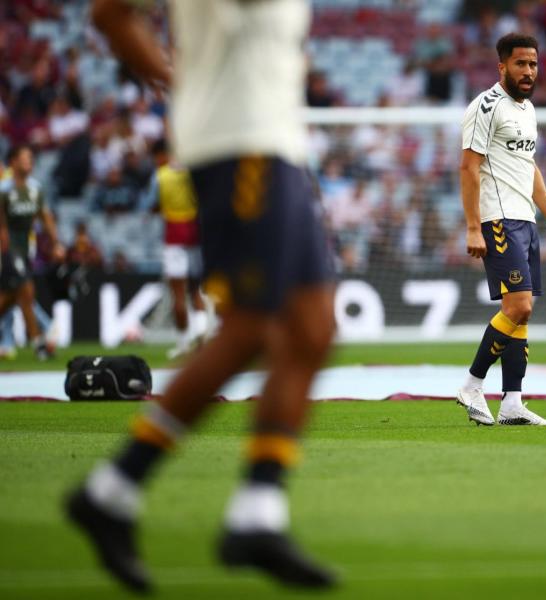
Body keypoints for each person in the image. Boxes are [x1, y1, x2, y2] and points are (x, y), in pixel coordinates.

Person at [67, 0, 337, 592]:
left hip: (276, 145)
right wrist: (176, 80)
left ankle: (257, 513)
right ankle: (111, 491)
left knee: (314, 328)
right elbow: (112, 12)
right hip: (237, 143)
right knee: (251, 329)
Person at [456, 33, 546, 427]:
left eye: (533, 64)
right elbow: (469, 167)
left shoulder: (528, 109)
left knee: (522, 314)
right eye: (520, 64)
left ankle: (512, 403)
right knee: (517, 306)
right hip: (497, 219)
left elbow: (530, 166)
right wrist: (473, 227)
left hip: (525, 218)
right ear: (501, 65)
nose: (528, 71)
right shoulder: (486, 106)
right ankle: (472, 384)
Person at [148, 138, 213, 359]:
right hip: (195, 235)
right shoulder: (193, 173)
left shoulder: (160, 176)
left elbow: (152, 205)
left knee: (178, 294)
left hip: (173, 237)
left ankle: (184, 343)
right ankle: (202, 337)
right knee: (196, 291)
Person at [0, 145, 65, 361]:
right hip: (7, 250)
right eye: (25, 158)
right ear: (13, 162)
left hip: (26, 248)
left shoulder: (36, 188)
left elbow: (45, 217)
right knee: (26, 291)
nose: (29, 162)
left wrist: (56, 243)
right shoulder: (4, 190)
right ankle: (39, 343)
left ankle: (39, 339)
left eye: (30, 158)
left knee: (11, 298)